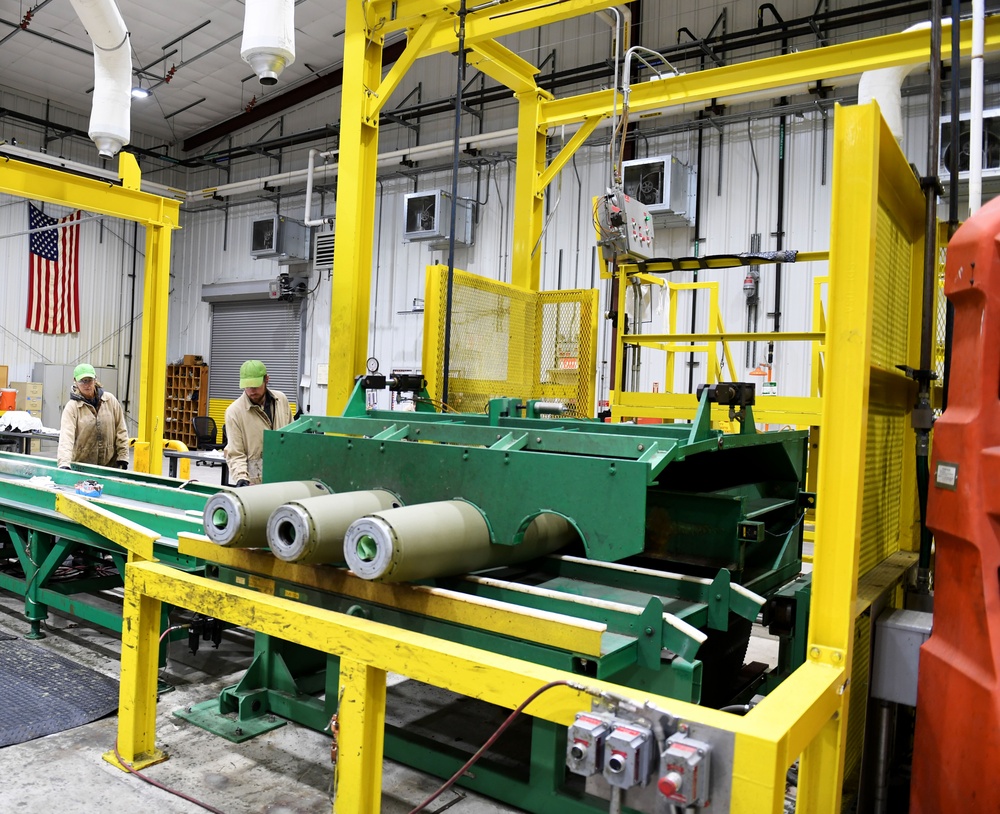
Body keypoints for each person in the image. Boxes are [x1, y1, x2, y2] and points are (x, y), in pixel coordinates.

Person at [224, 360, 292, 486]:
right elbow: (235, 453)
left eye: (255, 386)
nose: (251, 391)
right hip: (255, 483)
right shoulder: (234, 412)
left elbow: (291, 437)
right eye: (247, 386)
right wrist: (242, 479)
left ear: (266, 379)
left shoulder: (281, 400)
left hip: (283, 477)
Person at [57, 363, 130, 470]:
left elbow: (121, 430)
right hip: (83, 467)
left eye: (89, 380)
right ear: (75, 381)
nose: (87, 385)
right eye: (82, 381)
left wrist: (123, 456)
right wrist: (64, 463)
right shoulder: (72, 407)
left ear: (95, 380)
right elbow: (66, 438)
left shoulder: (110, 400)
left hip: (110, 466)